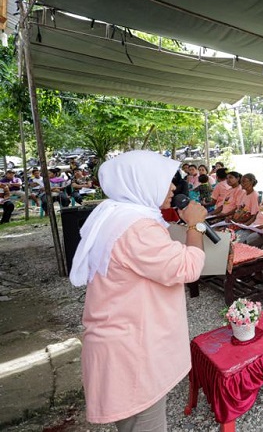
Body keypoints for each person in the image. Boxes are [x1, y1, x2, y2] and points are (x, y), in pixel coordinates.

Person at [69, 150, 206, 429]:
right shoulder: (137, 228)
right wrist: (196, 225)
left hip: (123, 342)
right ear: (142, 181)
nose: (171, 187)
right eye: (165, 180)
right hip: (132, 352)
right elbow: (187, 268)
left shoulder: (119, 215)